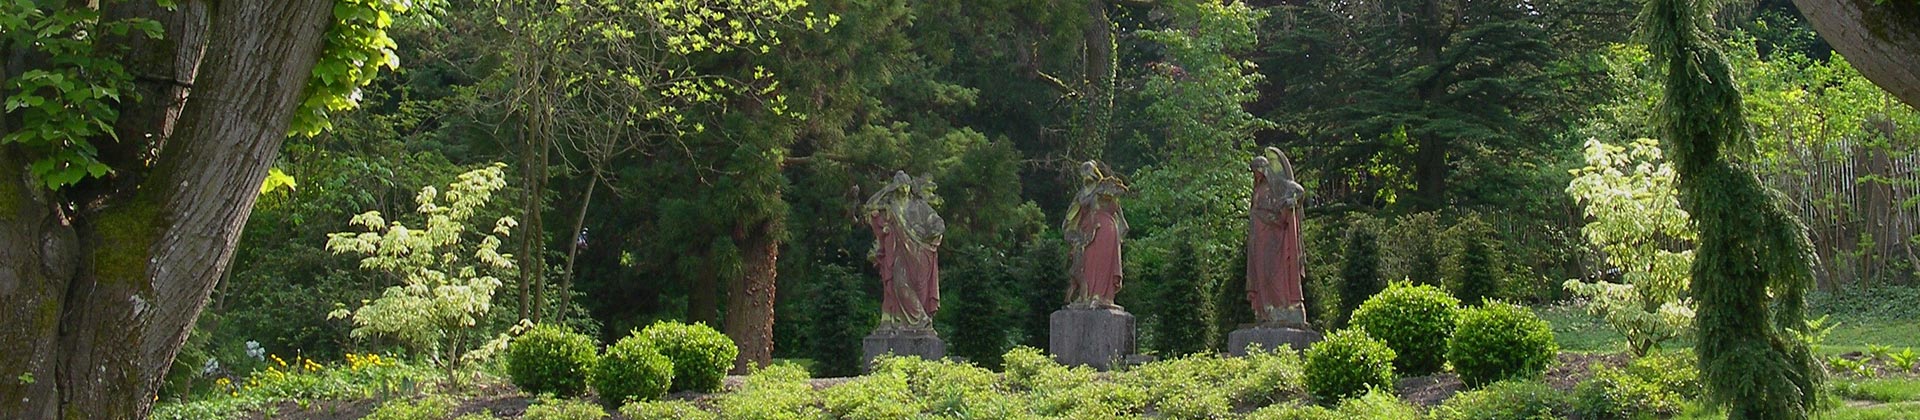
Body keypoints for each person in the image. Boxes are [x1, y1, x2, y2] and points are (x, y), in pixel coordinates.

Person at [864, 171, 944, 330]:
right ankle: (920, 320)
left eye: (906, 186)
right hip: (899, 253)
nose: (904, 190)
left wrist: (926, 235)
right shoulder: (890, 205)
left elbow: (938, 224)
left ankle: (919, 323)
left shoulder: (919, 205)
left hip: (919, 252)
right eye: (900, 187)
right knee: (899, 283)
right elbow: (870, 205)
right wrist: (887, 189)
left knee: (920, 290)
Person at [1247, 147, 1308, 326]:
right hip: (1259, 238)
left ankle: (1284, 308)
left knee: (1276, 272)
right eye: (1254, 172)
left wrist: (1292, 201)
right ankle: (1267, 310)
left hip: (1275, 237)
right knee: (1262, 273)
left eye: (1259, 171)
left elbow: (1298, 191)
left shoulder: (1278, 185)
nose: (1257, 175)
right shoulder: (1257, 190)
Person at [1064, 161, 1129, 309]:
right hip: (1087, 231)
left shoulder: (1106, 190)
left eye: (1089, 172)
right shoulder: (1083, 193)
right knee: (1086, 263)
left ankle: (1100, 296)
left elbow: (1122, 219)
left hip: (1104, 229)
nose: (1086, 177)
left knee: (1102, 262)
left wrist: (1119, 236)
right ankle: (1085, 296)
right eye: (1084, 174)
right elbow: (1073, 212)